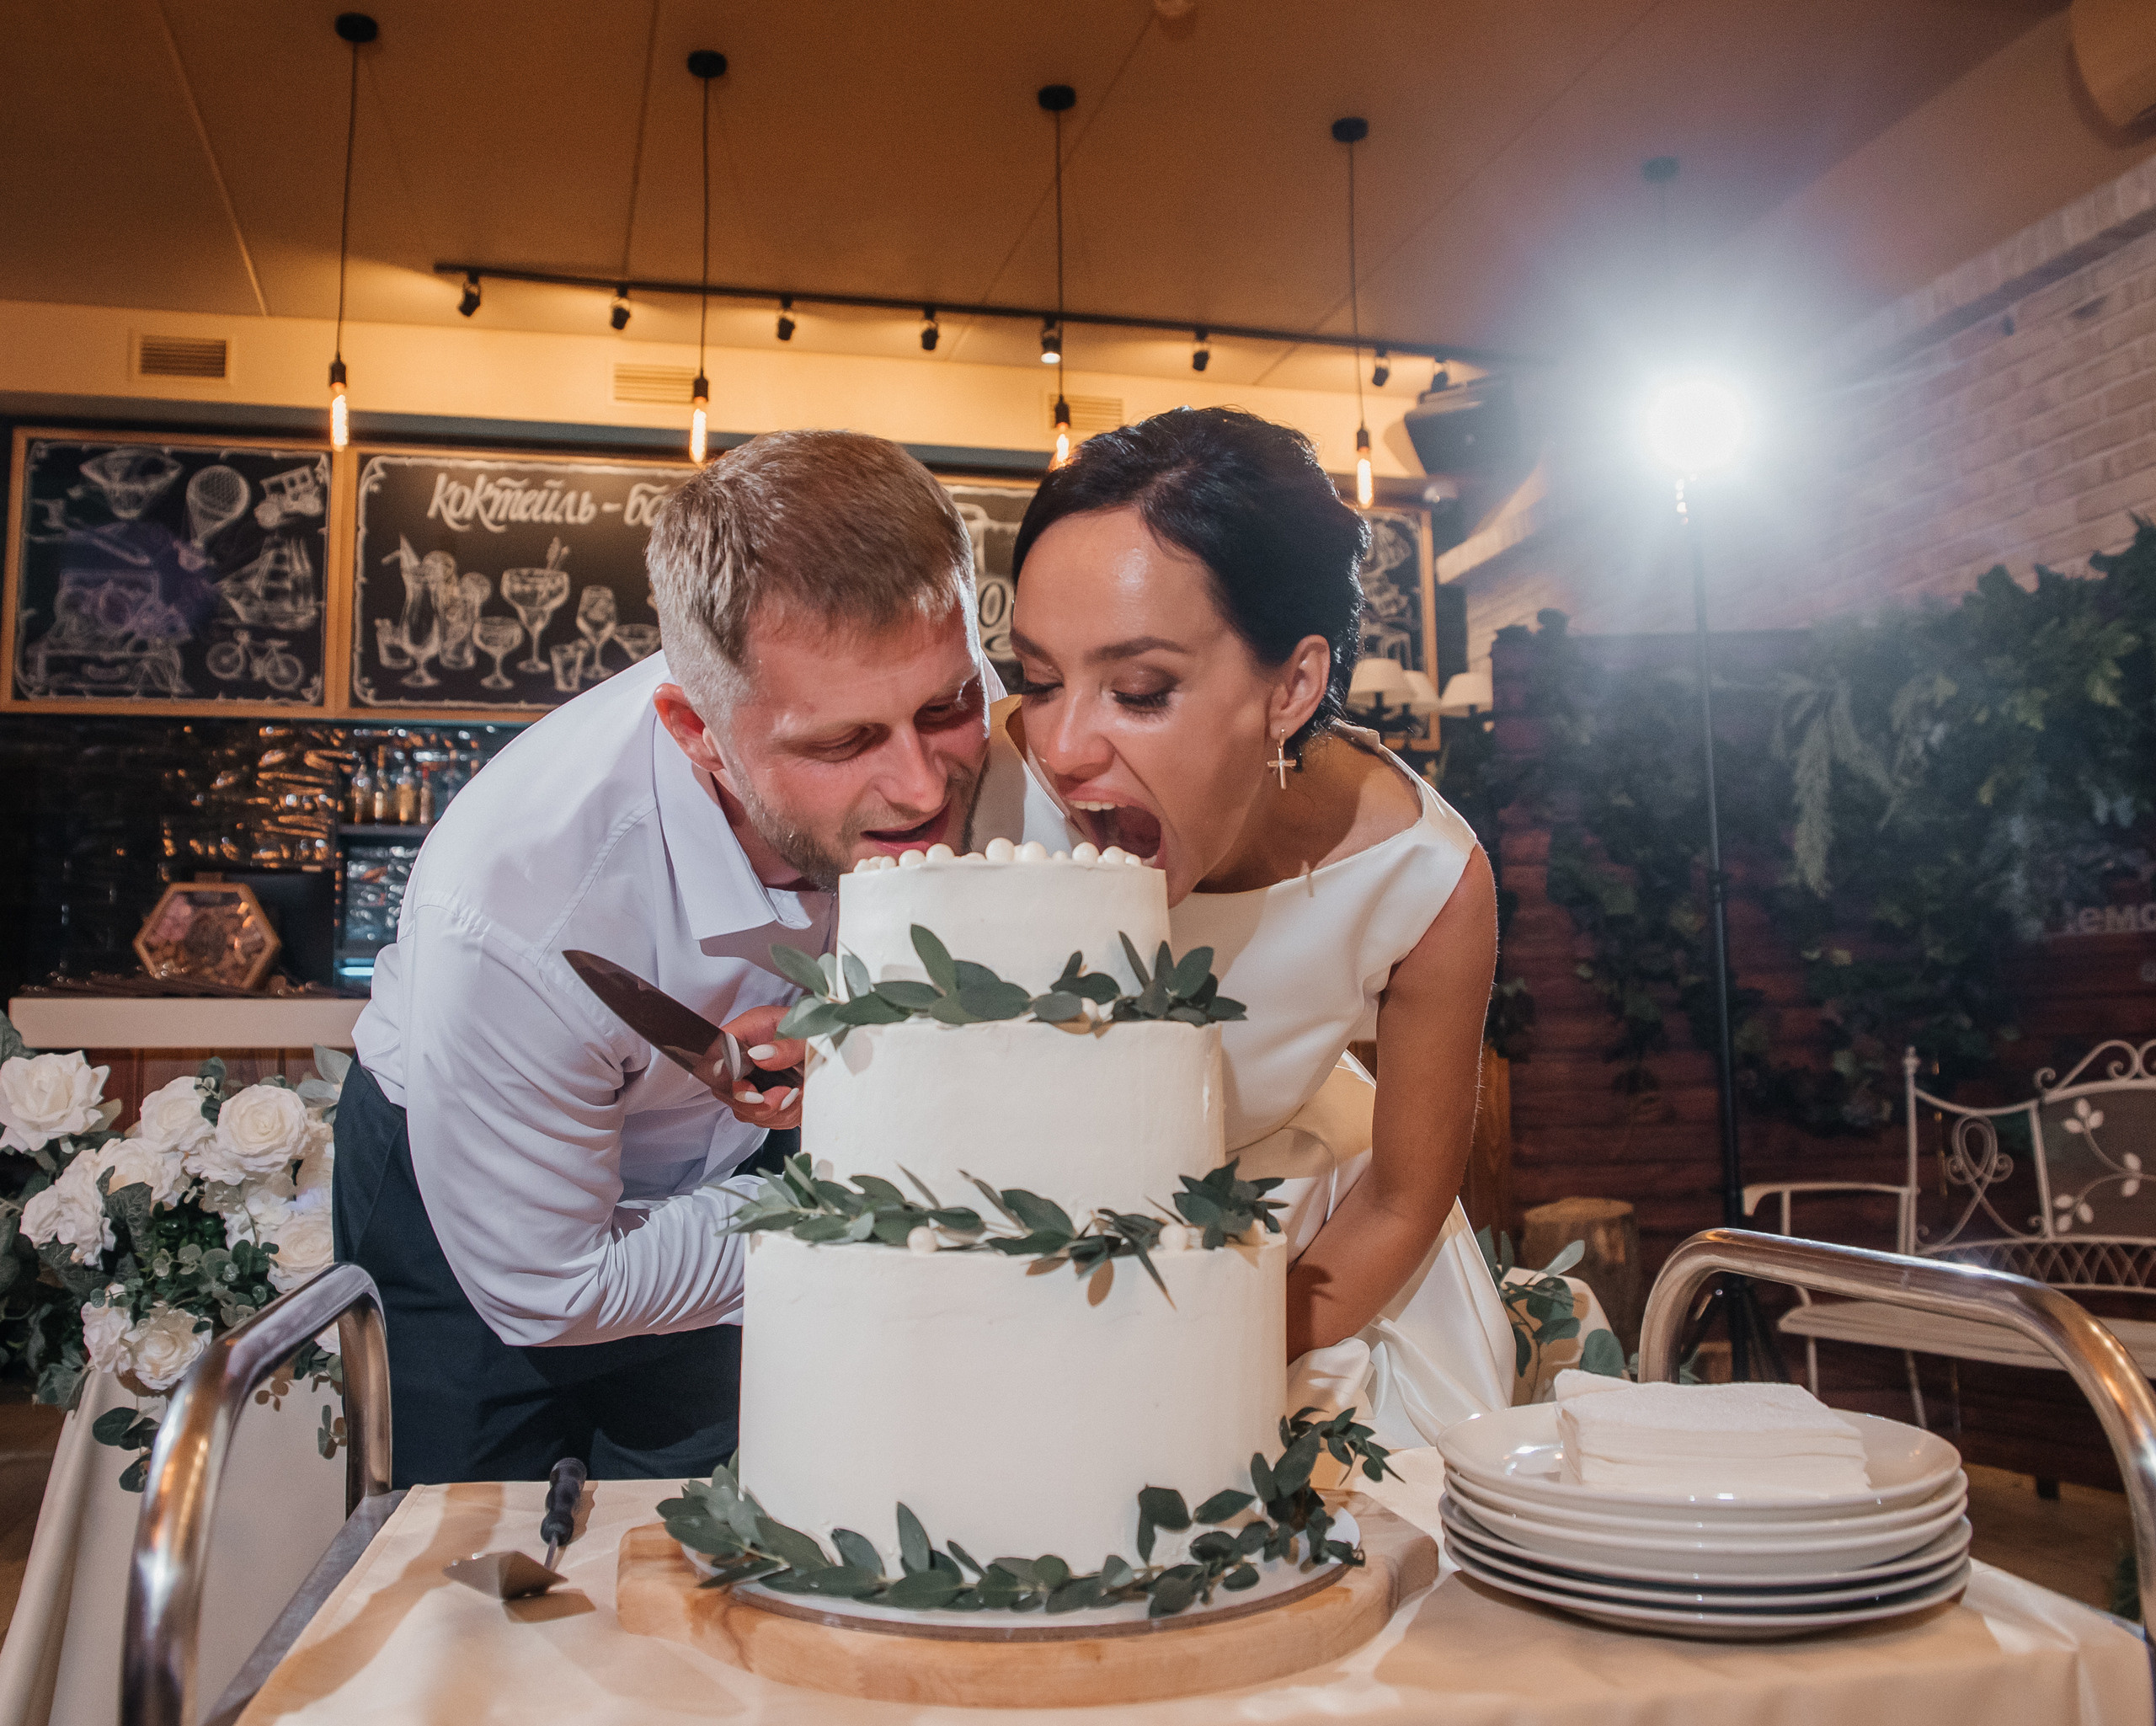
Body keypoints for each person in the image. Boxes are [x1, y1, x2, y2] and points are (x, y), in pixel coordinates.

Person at [334, 430, 997, 1486]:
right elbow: (550, 1289)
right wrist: (883, 1202)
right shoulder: (522, 908)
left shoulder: (954, 708)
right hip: (478, 1240)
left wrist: (854, 1051)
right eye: (841, 745)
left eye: (947, 707)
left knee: (711, 1507)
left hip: (731, 1185)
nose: (923, 788)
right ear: (698, 731)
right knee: (481, 1557)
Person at [992, 406, 1513, 1448]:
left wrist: (1185, 1357)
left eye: (1139, 690)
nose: (1061, 744)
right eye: (1039, 679)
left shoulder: (1425, 881)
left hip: (1296, 1281)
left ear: (1292, 687)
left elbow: (1407, 1200)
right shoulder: (974, 784)